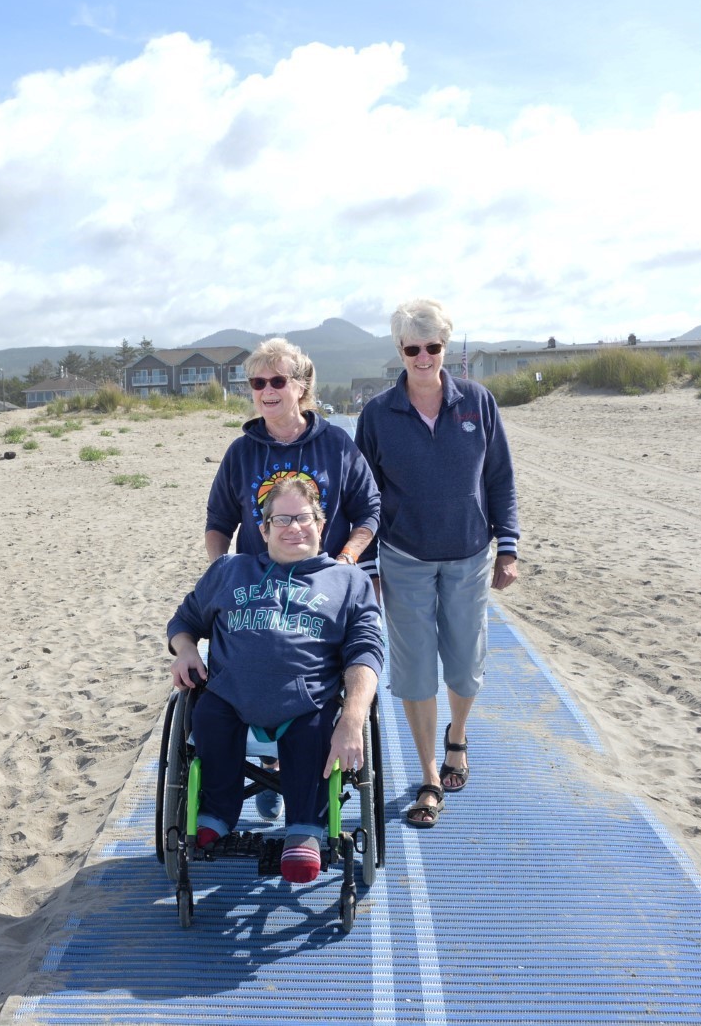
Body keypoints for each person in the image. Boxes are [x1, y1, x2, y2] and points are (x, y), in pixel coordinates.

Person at [354, 298, 520, 830]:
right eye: (412, 348)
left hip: (471, 555)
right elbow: (366, 493)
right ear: (399, 350)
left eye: (433, 347)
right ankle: (429, 775)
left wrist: (509, 546)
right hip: (403, 558)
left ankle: (458, 737)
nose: (423, 357)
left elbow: (499, 478)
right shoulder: (379, 414)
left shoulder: (478, 402)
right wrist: (369, 566)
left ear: (445, 348)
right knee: (415, 668)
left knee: (466, 664)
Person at [168, 474, 383, 883]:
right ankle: (216, 813)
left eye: (303, 518)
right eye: (281, 521)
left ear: (321, 525)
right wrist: (186, 650)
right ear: (263, 530)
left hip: (306, 702)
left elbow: (366, 652)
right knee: (208, 716)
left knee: (317, 727)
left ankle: (304, 830)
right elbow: (184, 620)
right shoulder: (230, 570)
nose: (293, 528)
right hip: (230, 696)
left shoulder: (348, 582)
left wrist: (354, 718)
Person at [204, 337, 381, 820]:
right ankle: (266, 764)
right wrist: (222, 571)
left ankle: (299, 776)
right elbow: (219, 522)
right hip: (259, 587)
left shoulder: (336, 446)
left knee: (315, 670)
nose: (267, 390)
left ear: (301, 388)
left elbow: (368, 511)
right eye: (258, 382)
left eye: (278, 380)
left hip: (322, 588)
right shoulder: (241, 452)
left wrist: (346, 558)